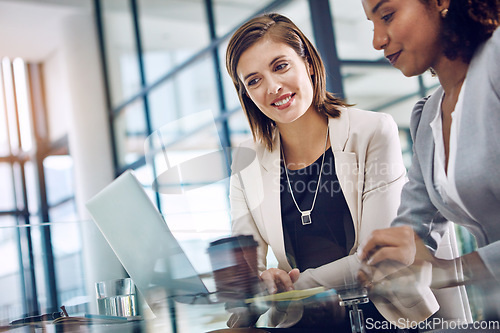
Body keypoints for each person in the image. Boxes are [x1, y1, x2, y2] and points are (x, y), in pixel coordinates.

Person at [225, 13, 434, 330]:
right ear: (246, 94)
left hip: (384, 316)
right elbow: (246, 266)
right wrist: (263, 282)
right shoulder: (245, 160)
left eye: (280, 66)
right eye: (254, 80)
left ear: (307, 62)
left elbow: (378, 255)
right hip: (300, 323)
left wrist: (295, 288)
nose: (273, 87)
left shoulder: (372, 131)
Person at [359, 0, 500, 323]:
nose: (377, 40)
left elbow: (439, 269)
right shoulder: (427, 118)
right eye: (372, 24)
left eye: (387, 16)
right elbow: (412, 232)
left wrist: (452, 270)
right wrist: (385, 264)